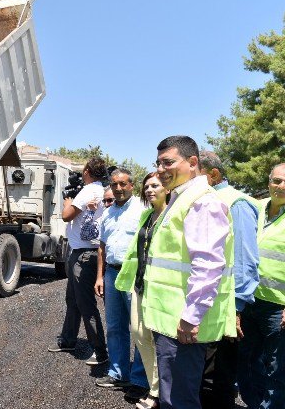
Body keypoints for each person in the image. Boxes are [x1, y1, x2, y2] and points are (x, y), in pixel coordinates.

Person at [144, 135, 235, 409]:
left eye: (168, 162)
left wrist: (190, 317)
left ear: (193, 162)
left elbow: (208, 265)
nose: (161, 169)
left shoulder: (201, 202)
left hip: (183, 325)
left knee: (179, 400)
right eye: (158, 163)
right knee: (174, 396)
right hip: (172, 320)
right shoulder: (181, 198)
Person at [197, 151, 261, 408]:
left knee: (218, 378)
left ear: (212, 174)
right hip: (207, 303)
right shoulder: (205, 198)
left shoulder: (236, 203)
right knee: (203, 376)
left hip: (225, 307)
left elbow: (245, 262)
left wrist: (236, 308)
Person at [237, 162, 285, 409]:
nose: (282, 186)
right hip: (249, 301)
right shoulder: (254, 208)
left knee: (278, 371)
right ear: (268, 182)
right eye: (277, 180)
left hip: (282, 308)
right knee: (246, 364)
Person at [93, 168, 149, 402]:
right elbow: (102, 247)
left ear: (131, 185)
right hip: (112, 273)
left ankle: (140, 379)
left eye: (123, 184)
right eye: (114, 184)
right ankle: (118, 373)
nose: (118, 188)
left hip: (133, 274)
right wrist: (99, 276)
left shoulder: (142, 209)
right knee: (115, 326)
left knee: (138, 328)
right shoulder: (107, 213)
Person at [49, 157, 108, 367]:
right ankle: (68, 340)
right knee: (72, 300)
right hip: (86, 252)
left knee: (85, 304)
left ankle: (100, 351)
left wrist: (67, 201)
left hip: (84, 255)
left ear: (87, 171)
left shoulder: (89, 191)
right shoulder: (101, 190)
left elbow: (66, 215)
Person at [116, 172, 168, 409]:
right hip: (140, 285)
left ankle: (158, 392)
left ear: (167, 188)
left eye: (155, 185)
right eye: (146, 186)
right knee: (139, 335)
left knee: (159, 341)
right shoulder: (147, 215)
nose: (149, 190)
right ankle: (154, 385)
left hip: (160, 289)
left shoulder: (171, 215)